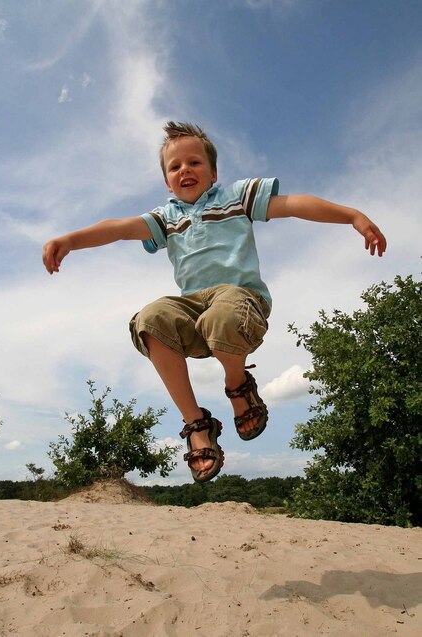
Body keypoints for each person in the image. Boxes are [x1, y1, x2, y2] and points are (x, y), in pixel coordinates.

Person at [42, 121, 387, 484]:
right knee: (150, 318)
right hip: (193, 310)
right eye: (175, 167)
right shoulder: (167, 218)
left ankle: (238, 386)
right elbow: (119, 227)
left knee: (220, 314)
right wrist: (71, 240)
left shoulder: (236, 197)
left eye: (194, 163)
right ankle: (196, 422)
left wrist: (353, 216)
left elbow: (294, 205)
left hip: (241, 302)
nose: (185, 170)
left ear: (213, 172)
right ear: (167, 181)